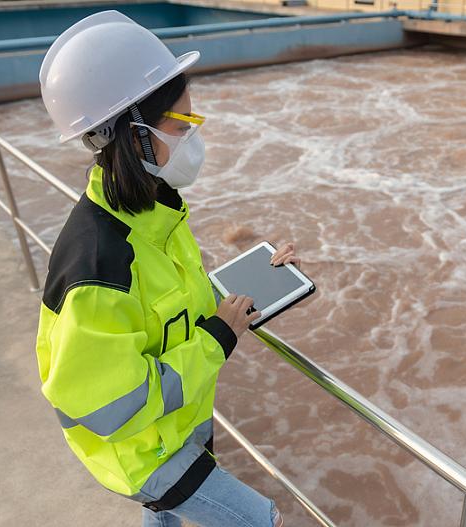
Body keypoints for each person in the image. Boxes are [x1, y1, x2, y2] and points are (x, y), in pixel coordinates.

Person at [34, 10, 298, 527]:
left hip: (177, 426)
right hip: (141, 454)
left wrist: (259, 279)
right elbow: (112, 406)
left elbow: (175, 301)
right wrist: (218, 338)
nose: (193, 137)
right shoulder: (98, 266)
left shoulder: (154, 213)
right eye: (182, 125)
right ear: (135, 136)